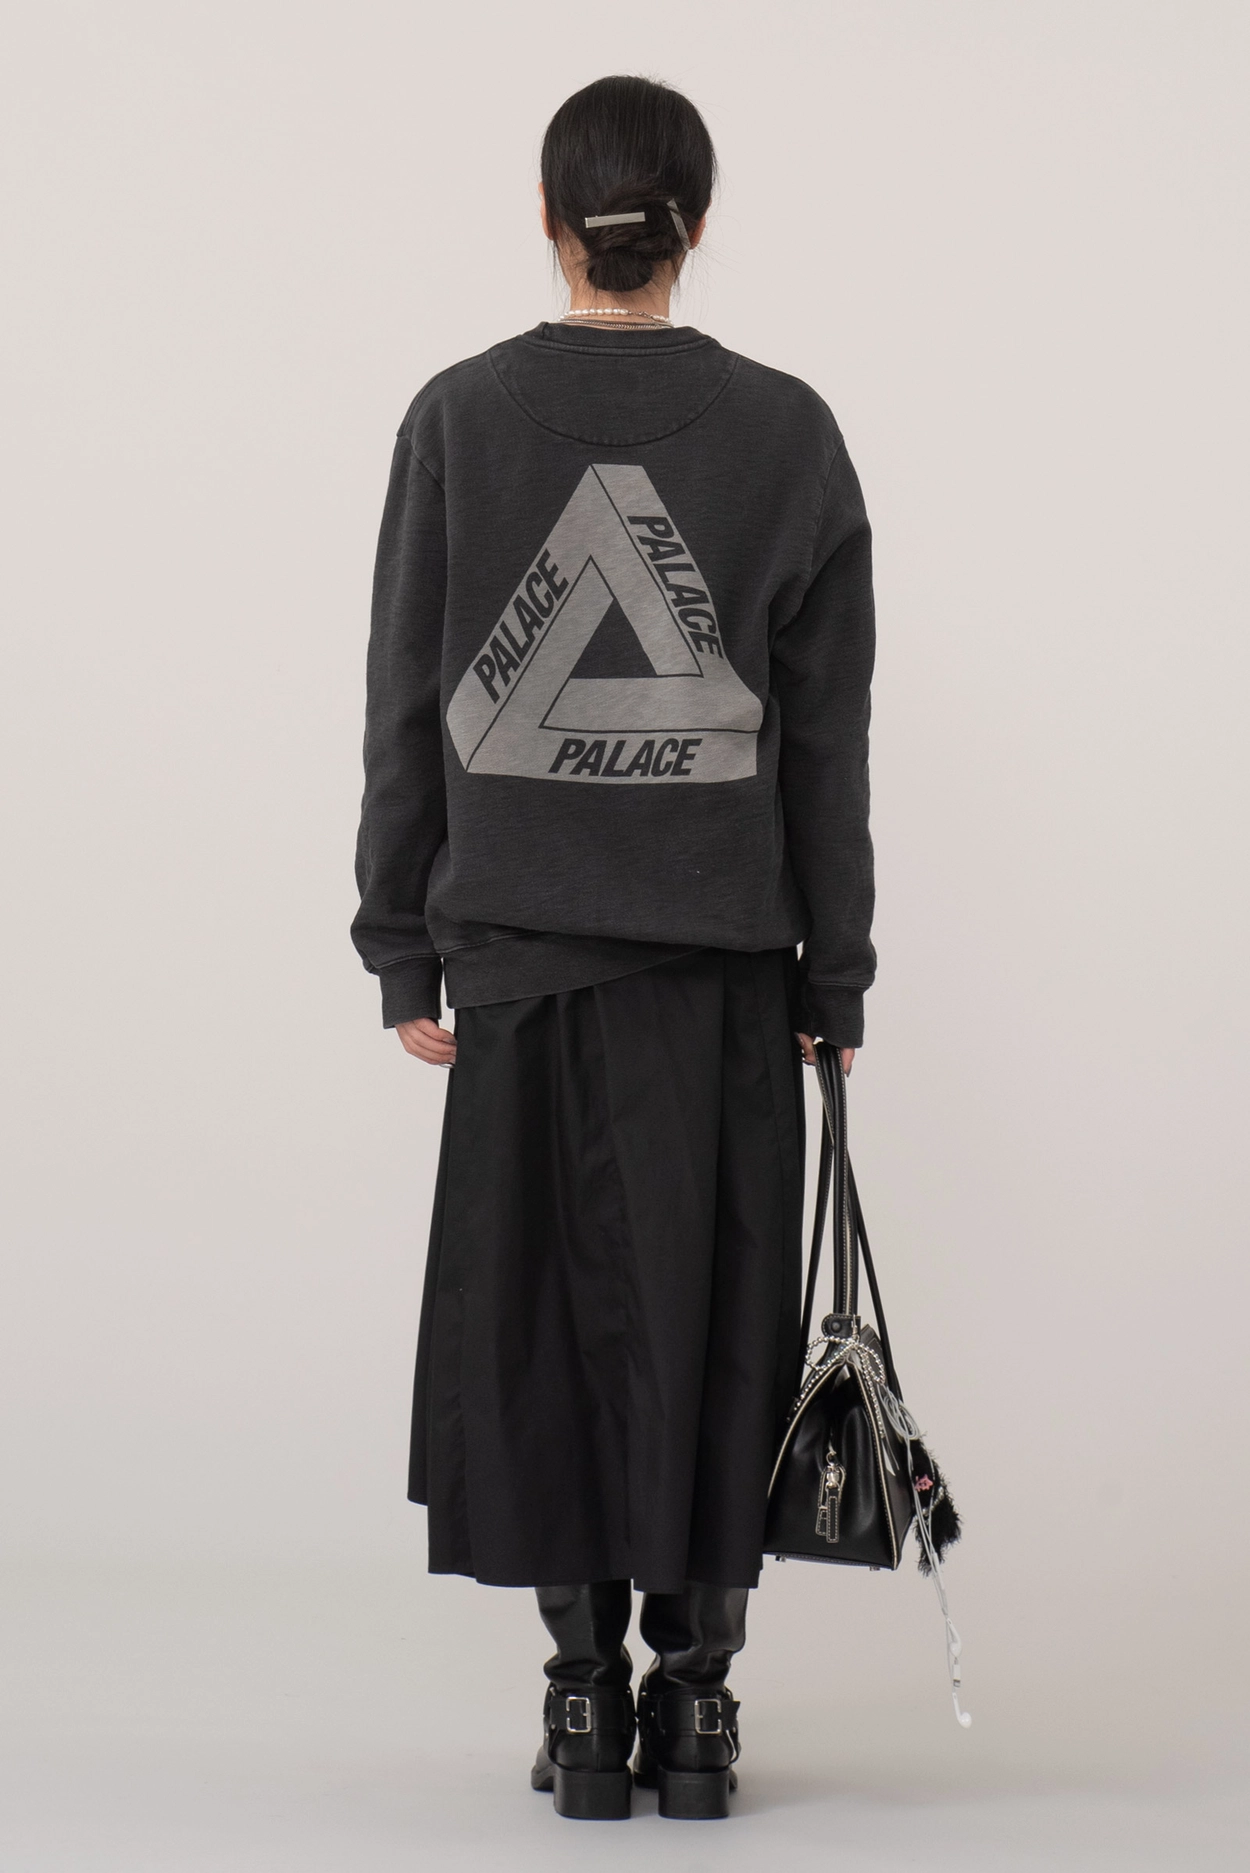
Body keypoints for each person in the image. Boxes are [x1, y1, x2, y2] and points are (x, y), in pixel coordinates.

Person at [351, 73, 875, 1822]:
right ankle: (696, 1708)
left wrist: (401, 944)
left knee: (543, 1338)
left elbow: (409, 705)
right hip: (723, 982)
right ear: (696, 224)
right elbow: (823, 743)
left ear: (549, 219)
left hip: (513, 973)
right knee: (714, 1334)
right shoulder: (786, 433)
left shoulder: (456, 418)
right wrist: (835, 974)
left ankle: (581, 1703)